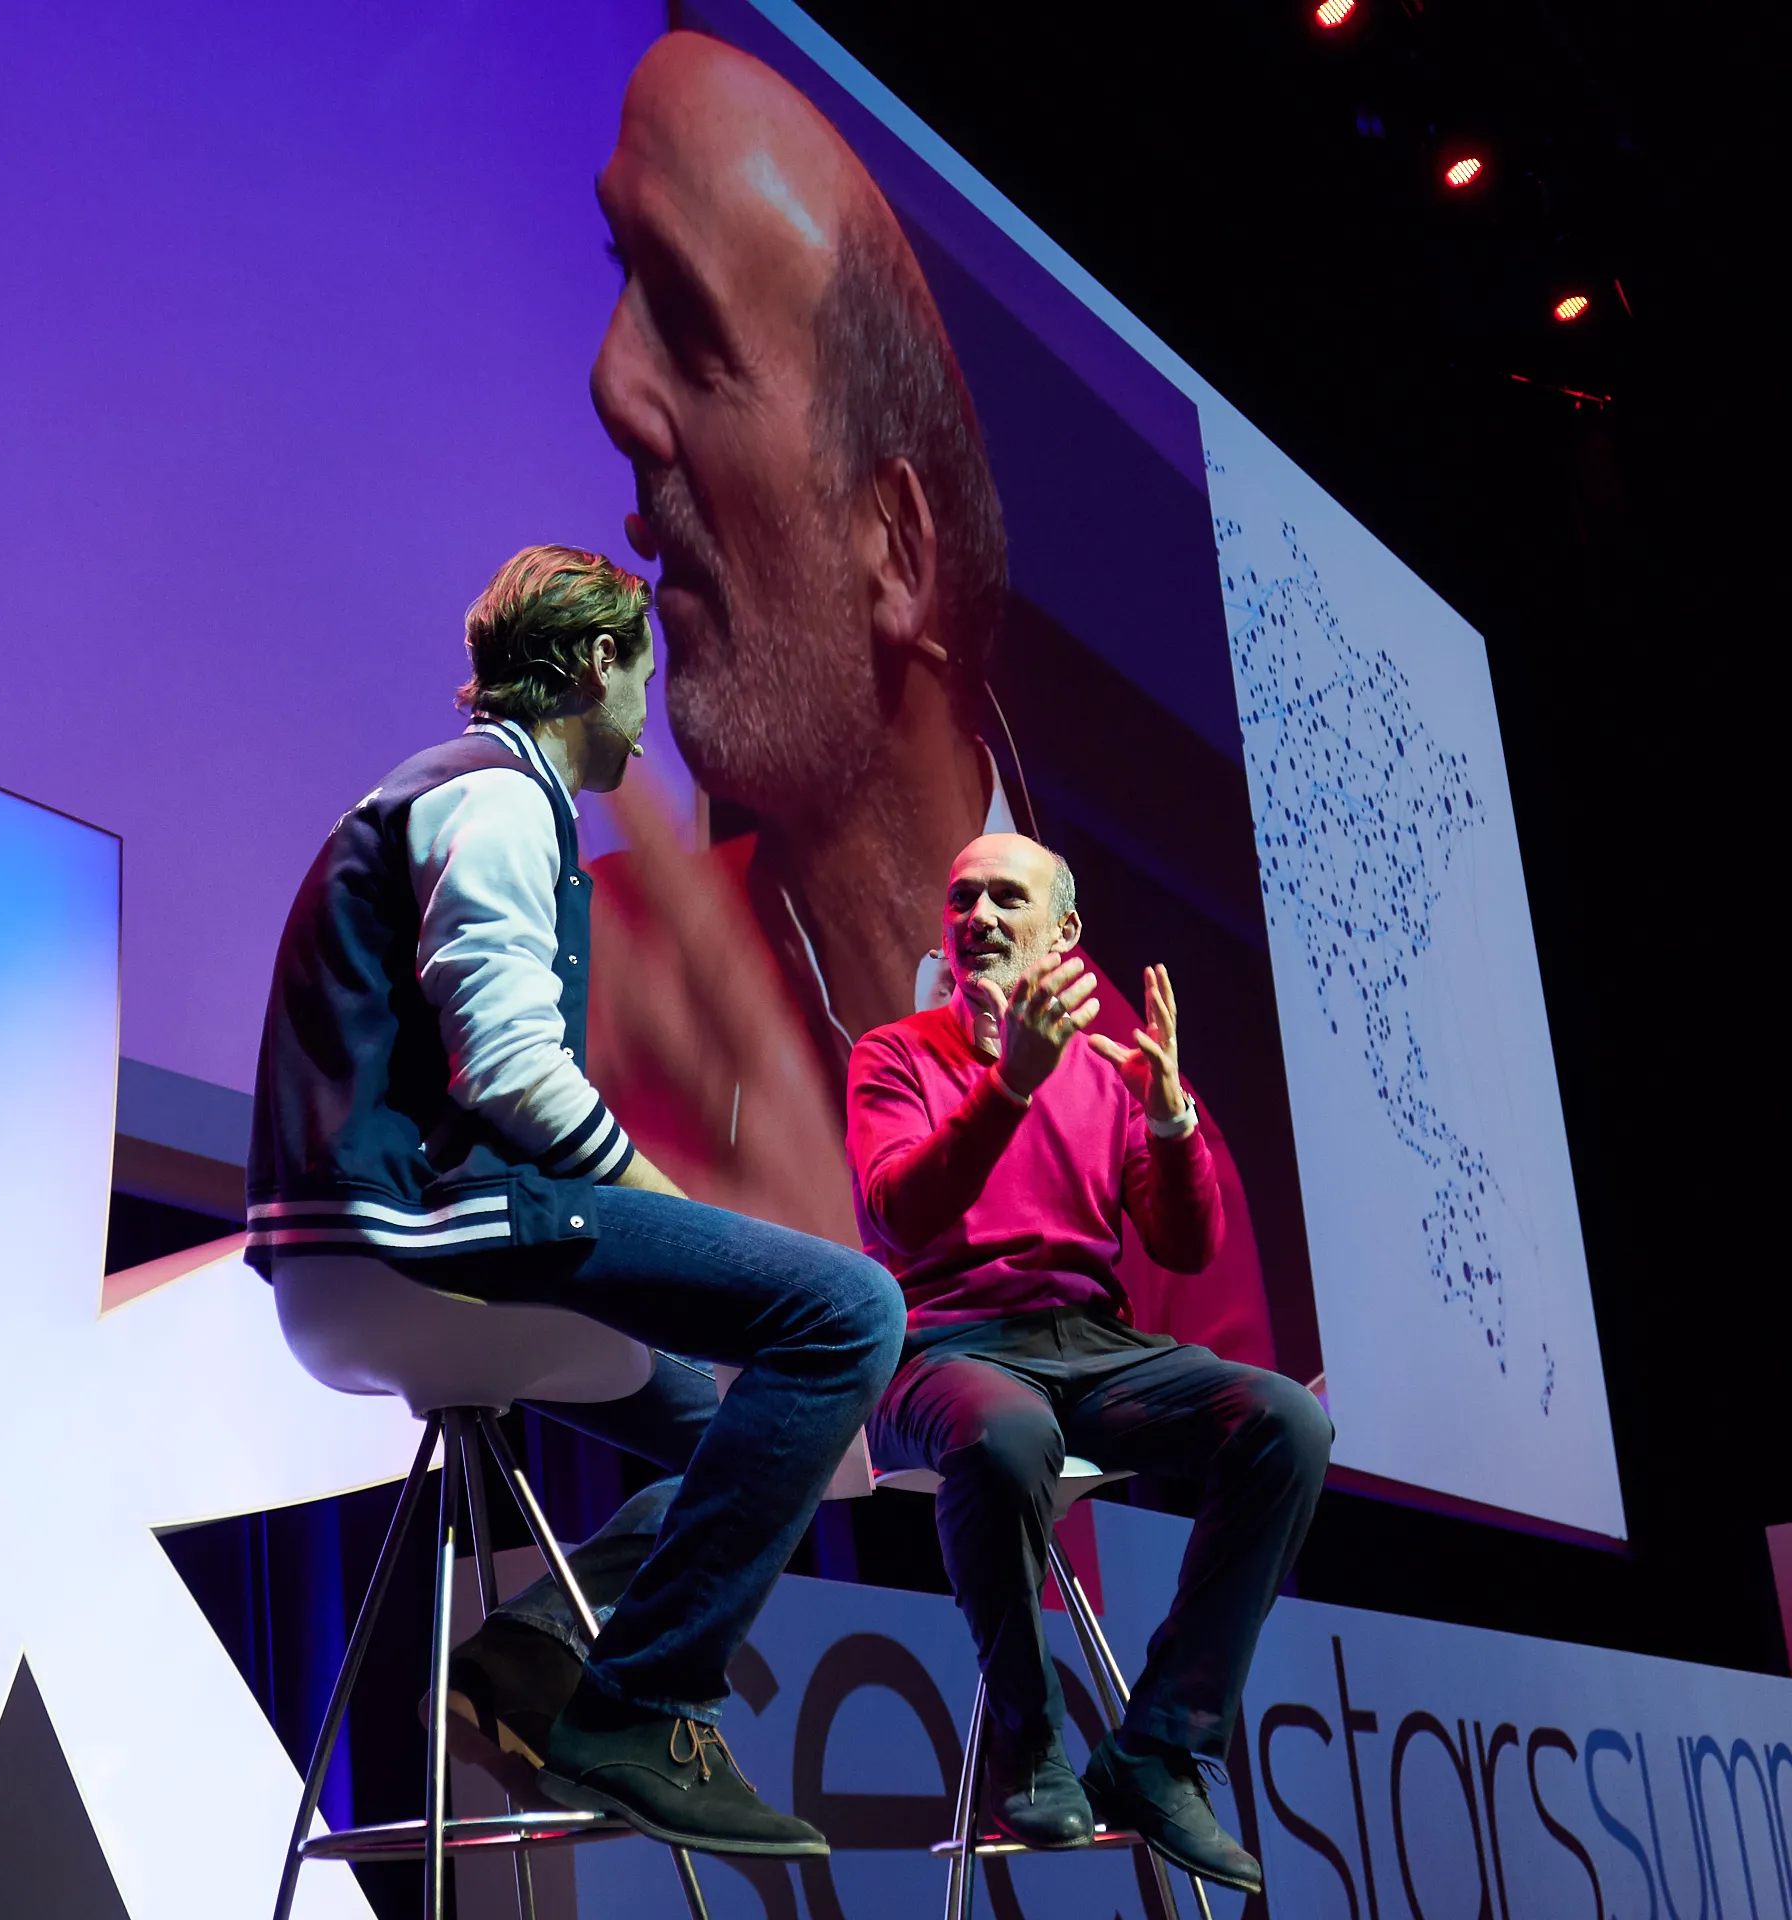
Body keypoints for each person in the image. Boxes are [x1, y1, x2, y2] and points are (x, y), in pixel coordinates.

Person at [586, 30, 1278, 1367]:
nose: (614, 388)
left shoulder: (1153, 1113)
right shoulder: (588, 983)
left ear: (896, 551)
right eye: (623, 278)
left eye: (688, 319)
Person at [244, 545, 903, 1857]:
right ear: (597, 662)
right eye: (644, 669)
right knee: (849, 1310)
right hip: (417, 1232)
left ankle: (538, 1650)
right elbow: (512, 1074)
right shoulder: (492, 802)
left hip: (400, 1238)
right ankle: (645, 1700)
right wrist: (679, 1217)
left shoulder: (485, 801)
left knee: (808, 1448)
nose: (651, 707)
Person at [845, 832, 1331, 1891]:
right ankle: (1030, 1739)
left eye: (1004, 899)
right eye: (960, 897)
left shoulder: (1103, 1075)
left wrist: (1168, 1119)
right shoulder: (892, 1054)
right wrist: (1008, 1088)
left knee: (1289, 1424)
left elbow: (1185, 1247)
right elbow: (901, 1216)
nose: (976, 916)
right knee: (1008, 1435)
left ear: (1062, 933)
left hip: (1092, 1346)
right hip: (944, 1345)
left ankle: (1160, 1749)